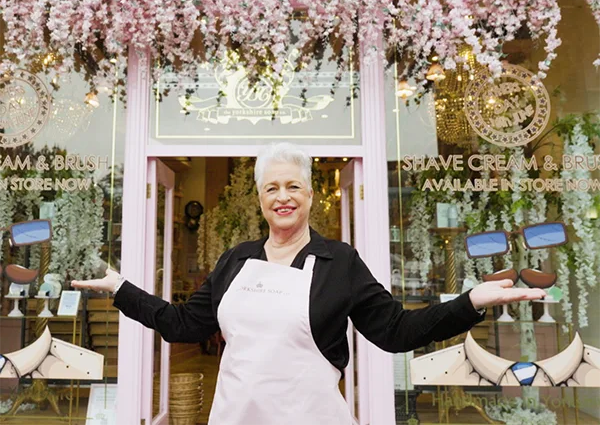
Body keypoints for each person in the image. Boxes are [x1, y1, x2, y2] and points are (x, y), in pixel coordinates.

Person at [72, 143, 546, 425]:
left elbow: (395, 332)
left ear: (311, 195)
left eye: (293, 186)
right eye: (272, 188)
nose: (283, 197)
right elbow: (182, 325)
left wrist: (471, 302)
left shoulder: (339, 261)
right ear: (260, 198)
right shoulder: (236, 259)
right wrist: (122, 289)